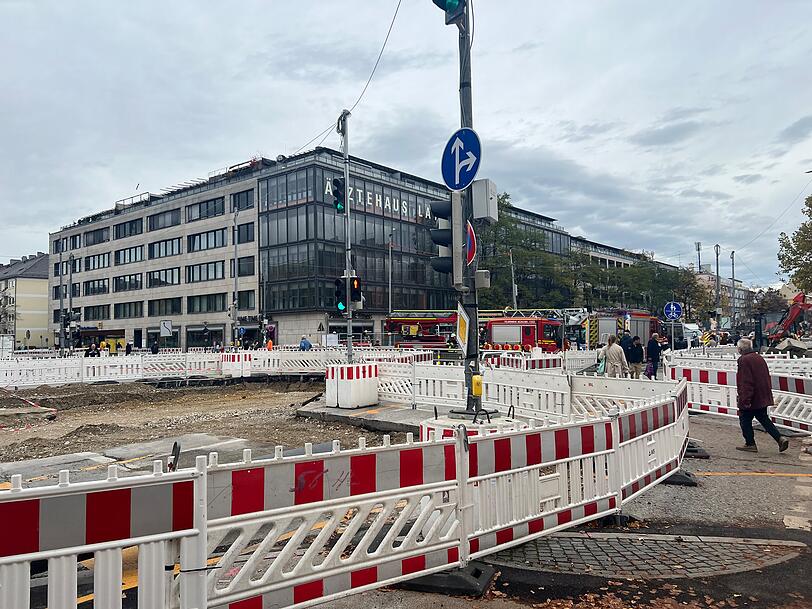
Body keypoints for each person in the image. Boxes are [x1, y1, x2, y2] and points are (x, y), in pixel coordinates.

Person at [735, 338, 789, 453]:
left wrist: (745, 399)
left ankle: (750, 444)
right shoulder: (759, 357)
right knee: (764, 419)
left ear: (740, 349)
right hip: (762, 395)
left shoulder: (744, 360)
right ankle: (779, 438)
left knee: (744, 419)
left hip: (752, 397)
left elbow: (746, 382)